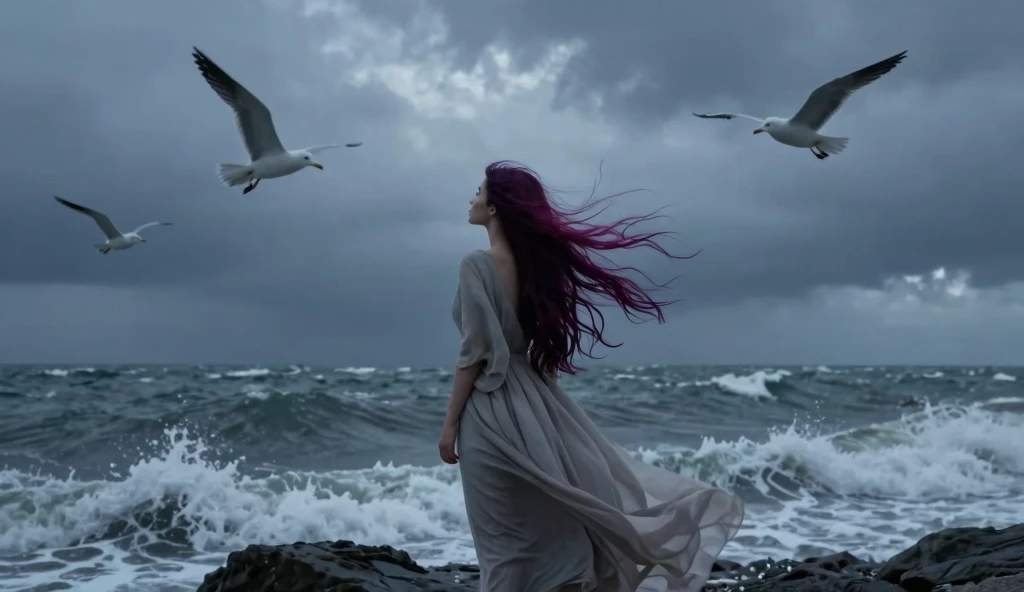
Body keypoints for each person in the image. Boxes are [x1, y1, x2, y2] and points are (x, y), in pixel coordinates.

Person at [439, 161, 744, 592]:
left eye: (478, 191)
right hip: (537, 405)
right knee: (548, 528)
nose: (471, 199)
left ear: (495, 208)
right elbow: (538, 353)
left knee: (502, 541)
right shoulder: (538, 269)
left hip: (490, 411)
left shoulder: (476, 264)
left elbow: (473, 353)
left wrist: (449, 425)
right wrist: (553, 419)